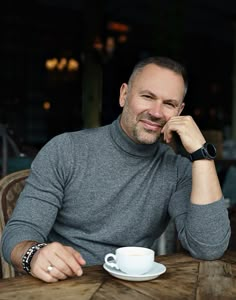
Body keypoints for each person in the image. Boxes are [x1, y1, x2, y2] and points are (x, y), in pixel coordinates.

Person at [1, 56, 231, 283]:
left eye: (169, 104)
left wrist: (202, 155)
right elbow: (19, 234)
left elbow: (208, 247)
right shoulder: (66, 150)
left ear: (179, 111)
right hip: (64, 285)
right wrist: (35, 254)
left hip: (133, 288)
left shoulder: (178, 170)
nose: (157, 112)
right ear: (124, 95)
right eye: (147, 96)